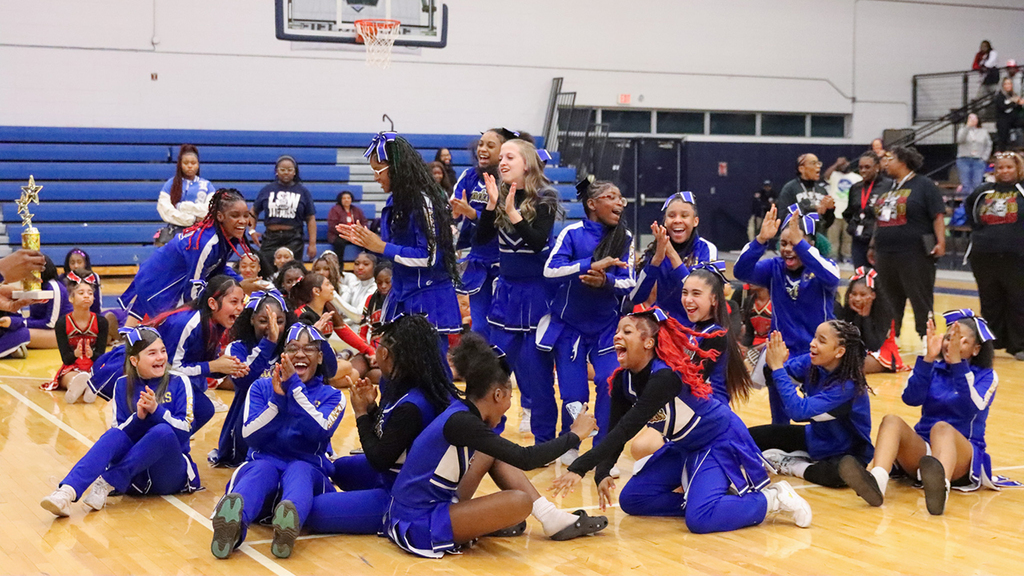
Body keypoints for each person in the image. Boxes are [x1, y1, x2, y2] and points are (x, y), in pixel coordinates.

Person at [550, 309, 812, 534]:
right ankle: (714, 501)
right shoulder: (623, 380)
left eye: (626, 332)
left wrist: (579, 468)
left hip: (717, 440)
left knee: (700, 520)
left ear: (648, 343)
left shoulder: (664, 378)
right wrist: (602, 472)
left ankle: (773, 499)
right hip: (683, 446)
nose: (617, 336)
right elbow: (612, 431)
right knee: (633, 499)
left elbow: (627, 428)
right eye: (617, 331)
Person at [381, 336, 604, 559]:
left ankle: (549, 518)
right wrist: (575, 434)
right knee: (520, 502)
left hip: (427, 506)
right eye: (508, 397)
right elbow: (526, 458)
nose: (508, 407)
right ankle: (492, 522)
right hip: (420, 522)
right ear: (498, 394)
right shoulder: (463, 422)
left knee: (492, 452)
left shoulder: (462, 411)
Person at [305, 315, 460, 535]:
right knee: (336, 468)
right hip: (396, 473)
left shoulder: (413, 405)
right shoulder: (407, 385)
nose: (375, 350)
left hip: (402, 495)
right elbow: (393, 436)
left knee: (314, 511)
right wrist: (371, 408)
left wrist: (361, 413)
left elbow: (379, 458)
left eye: (378, 345)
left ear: (386, 353)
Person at [839, 312, 998, 515]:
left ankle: (941, 489)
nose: (951, 344)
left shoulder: (987, 376)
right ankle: (877, 481)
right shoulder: (933, 367)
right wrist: (928, 359)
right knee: (891, 420)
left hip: (961, 458)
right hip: (924, 456)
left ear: (976, 349)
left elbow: (973, 405)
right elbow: (911, 398)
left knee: (942, 428)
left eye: (961, 341)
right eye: (948, 338)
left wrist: (959, 365)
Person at [210, 324, 344, 559]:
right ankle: (233, 528)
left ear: (320, 357)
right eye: (293, 348)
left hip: (308, 471)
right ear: (283, 355)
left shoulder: (333, 395)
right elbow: (249, 435)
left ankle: (287, 522)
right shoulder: (261, 387)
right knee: (261, 469)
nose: (300, 354)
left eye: (309, 349)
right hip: (264, 466)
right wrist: (276, 403)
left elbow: (319, 431)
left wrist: (294, 389)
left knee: (299, 469)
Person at [40, 327, 201, 517]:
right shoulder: (123, 384)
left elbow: (185, 430)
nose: (161, 357)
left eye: (163, 350)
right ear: (134, 360)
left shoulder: (179, 381)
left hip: (168, 475)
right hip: (134, 479)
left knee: (162, 431)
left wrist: (157, 411)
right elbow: (119, 434)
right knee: (114, 435)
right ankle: (67, 492)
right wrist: (138, 418)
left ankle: (107, 481)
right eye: (152, 353)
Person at [336, 132, 462, 357]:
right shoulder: (394, 200)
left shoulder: (424, 201)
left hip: (428, 296)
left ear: (395, 168)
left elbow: (429, 256)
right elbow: (393, 250)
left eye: (378, 171)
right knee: (392, 374)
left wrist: (381, 246)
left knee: (429, 378)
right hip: (403, 292)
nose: (375, 177)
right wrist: (366, 239)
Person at [474, 137, 562, 440]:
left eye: (510, 157)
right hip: (506, 297)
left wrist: (512, 211)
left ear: (527, 163)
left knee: (537, 379)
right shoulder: (498, 195)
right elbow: (480, 240)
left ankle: (545, 441)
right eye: (501, 159)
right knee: (493, 374)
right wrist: (491, 204)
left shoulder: (545, 197)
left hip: (537, 296)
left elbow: (538, 241)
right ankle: (486, 437)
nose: (502, 162)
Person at [541, 178, 634, 463]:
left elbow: (628, 282)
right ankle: (570, 443)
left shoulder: (625, 237)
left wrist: (605, 280)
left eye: (621, 198)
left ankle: (603, 449)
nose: (620, 202)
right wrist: (588, 266)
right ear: (592, 204)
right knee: (574, 392)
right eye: (611, 197)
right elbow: (550, 270)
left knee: (610, 382)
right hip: (570, 328)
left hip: (607, 328)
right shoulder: (572, 232)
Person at [89, 275, 248, 435]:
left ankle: (170, 443)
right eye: (234, 302)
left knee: (203, 409)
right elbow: (170, 367)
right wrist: (213, 366)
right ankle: (153, 440)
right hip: (140, 371)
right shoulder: (187, 324)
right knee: (201, 408)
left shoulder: (215, 324)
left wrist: (226, 368)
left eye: (242, 302)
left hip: (163, 372)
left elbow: (196, 362)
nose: (241, 308)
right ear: (212, 303)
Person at [735, 205, 840, 423]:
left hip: (818, 353)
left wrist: (800, 245)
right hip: (782, 354)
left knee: (817, 417)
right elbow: (740, 271)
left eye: (795, 243)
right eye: (783, 243)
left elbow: (832, 279)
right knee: (780, 418)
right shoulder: (774, 267)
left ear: (810, 244)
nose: (788, 249)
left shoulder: (825, 267)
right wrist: (761, 240)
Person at [748, 323, 873, 488]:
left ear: (839, 352)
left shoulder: (848, 386)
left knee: (839, 475)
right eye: (814, 337)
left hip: (847, 452)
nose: (812, 343)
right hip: (814, 438)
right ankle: (802, 457)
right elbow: (773, 376)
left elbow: (797, 412)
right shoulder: (811, 362)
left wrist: (777, 366)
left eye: (821, 341)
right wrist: (772, 361)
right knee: (749, 436)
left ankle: (793, 465)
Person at [119, 189, 252, 326]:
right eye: (235, 215)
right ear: (220, 216)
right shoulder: (206, 243)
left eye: (246, 215)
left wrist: (241, 283)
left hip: (167, 279)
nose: (242, 221)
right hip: (158, 282)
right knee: (165, 334)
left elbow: (218, 267)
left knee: (143, 337)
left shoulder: (227, 236)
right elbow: (193, 289)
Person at [873, 146, 946, 345]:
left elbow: (938, 215)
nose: (886, 163)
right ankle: (889, 338)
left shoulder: (924, 185)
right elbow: (878, 219)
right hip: (886, 251)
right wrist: (873, 245)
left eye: (891, 159)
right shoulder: (887, 187)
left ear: (903, 162)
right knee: (888, 297)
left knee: (919, 296)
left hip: (915, 251)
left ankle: (926, 338)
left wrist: (941, 242)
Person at [449, 128, 517, 341]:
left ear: (504, 151)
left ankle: (502, 369)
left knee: (503, 321)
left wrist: (472, 212)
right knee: (479, 324)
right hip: (477, 258)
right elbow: (453, 208)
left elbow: (506, 219)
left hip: (505, 259)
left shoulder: (512, 180)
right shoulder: (469, 176)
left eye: (490, 145)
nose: (482, 149)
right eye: (480, 144)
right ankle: (483, 372)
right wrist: (455, 214)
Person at [210, 289, 291, 468]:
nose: (273, 327)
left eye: (279, 322)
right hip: (247, 424)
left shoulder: (290, 348)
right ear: (251, 319)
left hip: (283, 424)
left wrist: (317, 342)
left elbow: (325, 373)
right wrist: (269, 342)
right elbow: (244, 380)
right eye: (264, 321)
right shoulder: (236, 348)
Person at [964, 151, 1024, 360]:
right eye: (1000, 167)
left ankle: (1019, 345)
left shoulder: (1022, 191)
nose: (1005, 171)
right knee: (990, 299)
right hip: (984, 255)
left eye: (1009, 167)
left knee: (1018, 299)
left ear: (1018, 168)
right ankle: (991, 342)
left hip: (1017, 256)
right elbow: (970, 209)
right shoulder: (983, 191)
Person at [630, 192, 718, 322]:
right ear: (665, 222)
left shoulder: (706, 249)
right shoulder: (656, 251)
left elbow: (698, 294)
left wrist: (670, 253)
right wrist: (656, 260)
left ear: (695, 221)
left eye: (684, 215)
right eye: (671, 216)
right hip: (664, 326)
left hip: (696, 327)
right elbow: (636, 297)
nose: (677, 220)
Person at [43, 270, 109, 402]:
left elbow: (101, 356)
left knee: (98, 374)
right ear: (71, 298)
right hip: (72, 367)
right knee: (70, 377)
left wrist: (92, 355)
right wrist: (76, 354)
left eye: (90, 293)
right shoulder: (62, 323)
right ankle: (77, 386)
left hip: (93, 367)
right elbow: (66, 360)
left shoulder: (101, 322)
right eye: (81, 293)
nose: (86, 296)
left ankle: (89, 387)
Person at [836, 267, 905, 373]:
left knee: (852, 366)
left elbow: (873, 345)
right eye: (854, 294)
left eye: (863, 295)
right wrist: (857, 316)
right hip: (858, 349)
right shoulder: (848, 310)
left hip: (882, 350)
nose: (857, 298)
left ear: (873, 295)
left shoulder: (884, 311)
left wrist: (865, 317)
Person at [252, 155, 317, 263]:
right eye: (282, 169)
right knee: (266, 269)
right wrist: (251, 230)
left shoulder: (303, 191)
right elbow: (253, 211)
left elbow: (310, 218)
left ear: (294, 172)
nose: (286, 172)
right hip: (270, 237)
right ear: (276, 171)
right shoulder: (267, 190)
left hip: (293, 238)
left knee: (292, 272)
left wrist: (312, 244)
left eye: (289, 169)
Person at [156, 144, 215, 246]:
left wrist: (182, 207)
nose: (190, 166)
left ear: (198, 164)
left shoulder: (206, 185)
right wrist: (191, 219)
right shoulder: (171, 184)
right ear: (180, 164)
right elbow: (164, 210)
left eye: (193, 163)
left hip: (199, 234)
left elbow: (209, 210)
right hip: (175, 234)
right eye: (186, 163)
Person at [843, 152, 892, 268]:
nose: (863, 170)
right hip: (858, 241)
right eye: (860, 167)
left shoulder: (888, 186)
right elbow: (849, 212)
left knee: (877, 278)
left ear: (877, 167)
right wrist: (854, 226)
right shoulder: (855, 188)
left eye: (867, 167)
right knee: (860, 276)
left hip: (879, 242)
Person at [776, 154, 836, 233]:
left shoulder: (822, 190)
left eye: (818, 163)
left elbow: (826, 224)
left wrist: (830, 210)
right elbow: (783, 216)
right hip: (795, 237)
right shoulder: (790, 188)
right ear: (801, 169)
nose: (818, 166)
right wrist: (813, 208)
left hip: (817, 237)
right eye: (813, 163)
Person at [26, 256, 72, 348]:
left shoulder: (54, 287)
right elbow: (34, 317)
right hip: (46, 330)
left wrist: (23, 322)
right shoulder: (35, 287)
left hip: (62, 332)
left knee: (21, 334)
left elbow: (51, 323)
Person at [823, 157, 862, 262]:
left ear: (849, 163)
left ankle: (847, 257)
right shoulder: (834, 175)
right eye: (840, 165)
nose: (843, 166)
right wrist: (836, 164)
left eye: (844, 164)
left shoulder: (857, 177)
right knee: (832, 238)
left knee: (848, 239)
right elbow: (826, 176)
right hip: (835, 213)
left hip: (849, 213)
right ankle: (832, 257)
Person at [335, 252, 377, 330]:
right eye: (357, 264)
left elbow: (358, 316)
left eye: (366, 264)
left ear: (375, 267)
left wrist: (334, 295)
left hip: (367, 331)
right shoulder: (354, 286)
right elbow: (340, 311)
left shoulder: (374, 288)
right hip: (352, 328)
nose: (360, 267)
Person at [956, 113, 993, 196]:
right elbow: (960, 140)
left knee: (977, 184)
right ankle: (966, 205)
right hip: (964, 159)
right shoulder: (962, 130)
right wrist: (967, 127)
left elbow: (988, 145)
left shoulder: (983, 131)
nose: (972, 120)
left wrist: (984, 157)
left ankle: (976, 203)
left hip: (978, 160)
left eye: (974, 118)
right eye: (970, 118)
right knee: (966, 184)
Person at [326, 191, 367, 263]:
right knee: (339, 243)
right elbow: (333, 225)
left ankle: (366, 262)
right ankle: (339, 267)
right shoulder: (335, 210)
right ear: (340, 200)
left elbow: (363, 221)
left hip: (355, 234)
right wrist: (346, 232)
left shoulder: (357, 210)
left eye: (348, 198)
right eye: (344, 198)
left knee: (366, 241)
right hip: (340, 235)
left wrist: (360, 230)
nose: (346, 200)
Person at [360, 262, 392, 351]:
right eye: (379, 283)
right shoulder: (371, 299)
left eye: (388, 282)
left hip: (394, 347)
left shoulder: (401, 300)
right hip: (374, 348)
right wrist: (368, 350)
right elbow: (362, 332)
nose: (383, 286)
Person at [994, 77, 1024, 152]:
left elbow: (1017, 110)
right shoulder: (1000, 96)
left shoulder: (1014, 95)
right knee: (1003, 132)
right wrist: (1014, 102)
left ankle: (1020, 146)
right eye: (1006, 84)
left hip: (1013, 119)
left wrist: (1020, 104)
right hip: (1003, 119)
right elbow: (1002, 108)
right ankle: (1002, 151)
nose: (1008, 86)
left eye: (1009, 84)